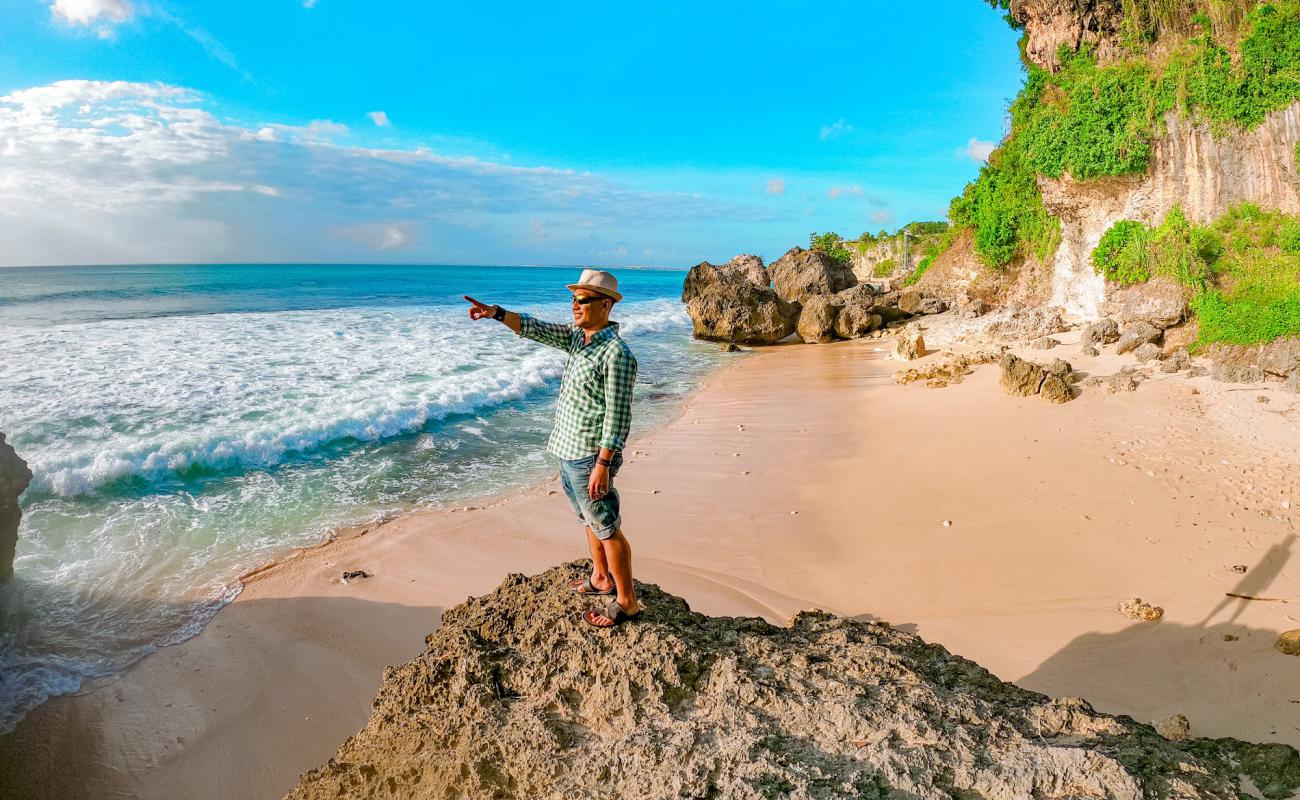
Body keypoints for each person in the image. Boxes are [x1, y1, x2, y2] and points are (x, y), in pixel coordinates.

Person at [464, 269, 641, 628]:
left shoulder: (616, 354)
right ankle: (600, 578)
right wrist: (497, 313)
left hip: (591, 454)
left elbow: (618, 416)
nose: (575, 306)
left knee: (606, 524)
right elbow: (535, 328)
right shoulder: (579, 338)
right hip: (569, 448)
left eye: (583, 300)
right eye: (573, 299)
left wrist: (603, 463)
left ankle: (627, 601)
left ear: (605, 305)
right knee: (589, 519)